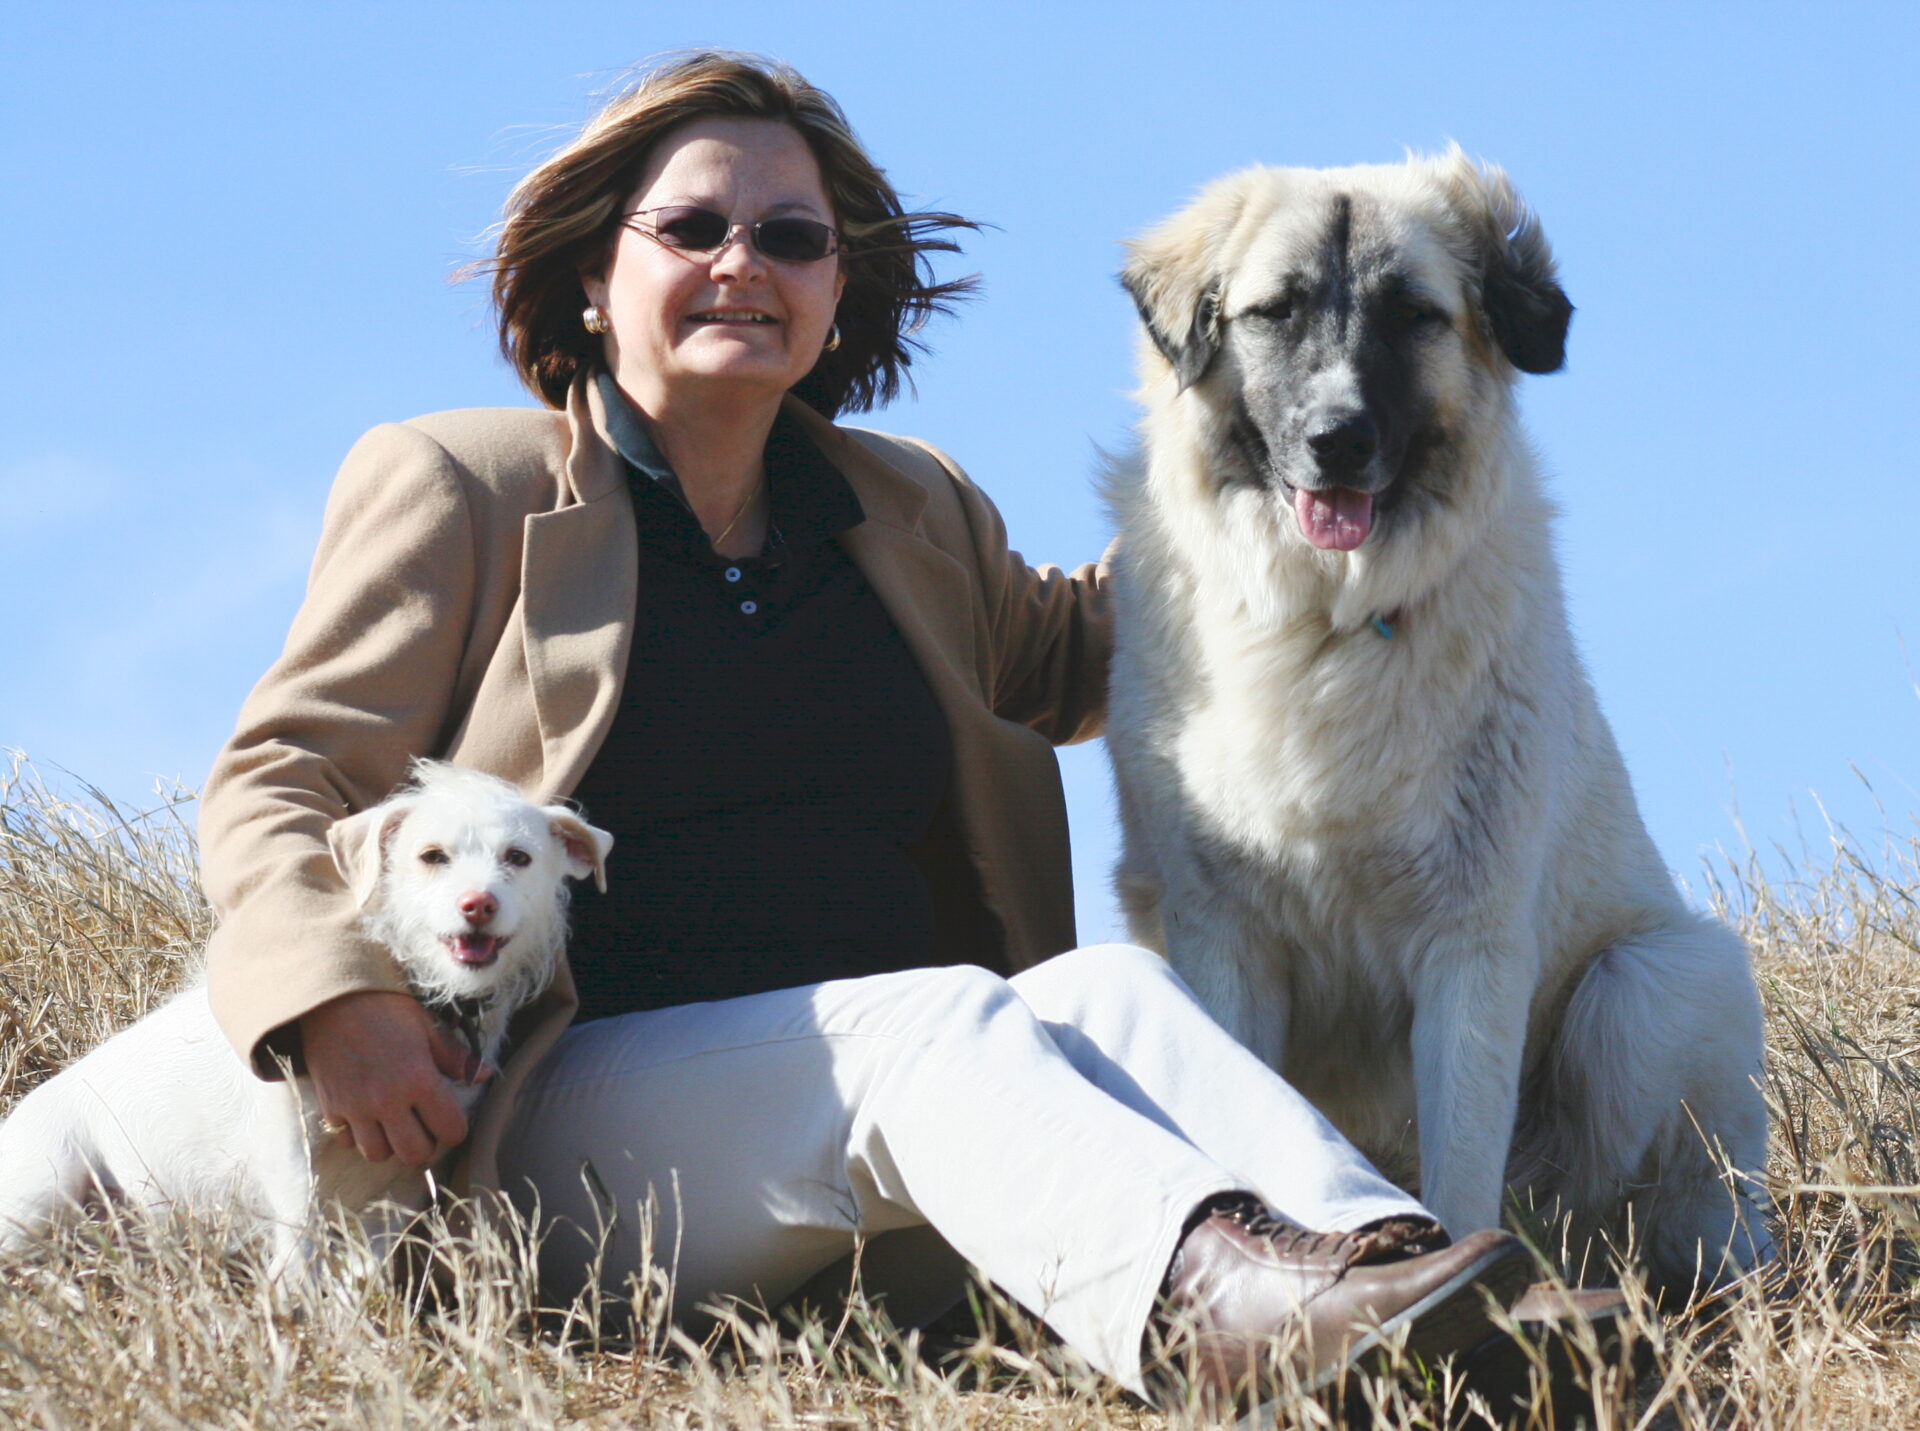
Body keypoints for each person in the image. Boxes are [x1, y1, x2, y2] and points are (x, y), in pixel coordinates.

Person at [197, 50, 1541, 1409]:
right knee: (940, 1022)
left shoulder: (910, 510)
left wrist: (1300, 510)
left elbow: (1086, 649)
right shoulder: (461, 486)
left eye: (792, 238)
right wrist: (335, 1004)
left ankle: (1435, 1301)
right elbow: (282, 771)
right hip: (564, 1130)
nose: (745, 262)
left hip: (902, 1149)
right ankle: (1249, 1329)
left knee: (1115, 994)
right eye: (694, 229)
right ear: (596, 279)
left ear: (837, 293)